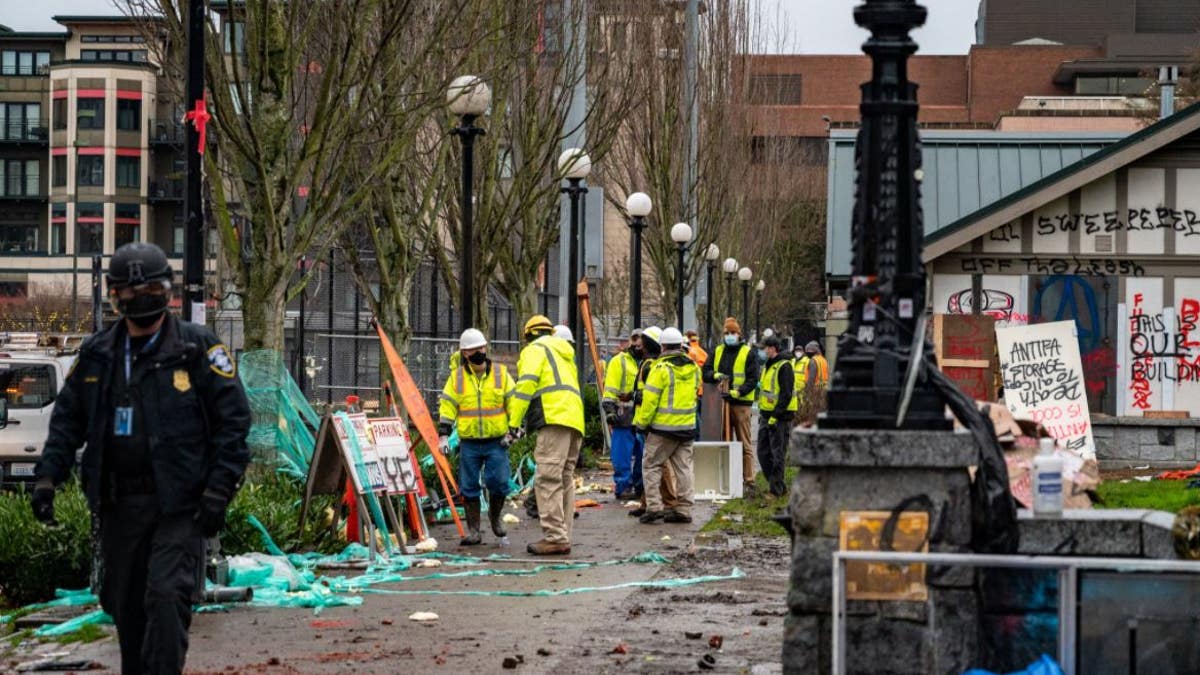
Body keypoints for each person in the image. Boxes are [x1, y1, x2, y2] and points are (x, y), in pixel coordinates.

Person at [31, 242, 251, 675]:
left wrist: (218, 492)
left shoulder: (196, 349)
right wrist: (46, 478)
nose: (138, 298)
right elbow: (67, 422)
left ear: (167, 291)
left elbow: (233, 424)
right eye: (128, 291)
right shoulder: (98, 355)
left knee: (167, 599)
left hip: (179, 506)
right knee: (126, 609)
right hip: (118, 507)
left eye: (149, 287)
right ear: (115, 294)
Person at [509, 315, 585, 555]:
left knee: (547, 478)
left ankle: (555, 537)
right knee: (564, 477)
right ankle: (563, 535)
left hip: (553, 417)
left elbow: (525, 387)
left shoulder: (534, 350)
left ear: (529, 335)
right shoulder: (564, 353)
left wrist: (513, 422)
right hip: (574, 420)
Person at [437, 328, 516, 546]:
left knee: (499, 482)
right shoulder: (457, 379)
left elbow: (514, 403)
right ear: (464, 353)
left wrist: (514, 429)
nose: (478, 352)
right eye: (472, 350)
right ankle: (474, 531)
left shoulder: (501, 374)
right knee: (468, 486)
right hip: (469, 442)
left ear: (485, 347)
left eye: (480, 348)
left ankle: (494, 516)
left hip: (496, 441)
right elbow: (447, 406)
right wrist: (443, 435)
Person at [633, 327, 699, 524]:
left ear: (662, 346)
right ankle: (685, 508)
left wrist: (641, 424)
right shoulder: (693, 367)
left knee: (651, 465)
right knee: (684, 468)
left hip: (663, 429)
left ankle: (654, 507)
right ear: (680, 345)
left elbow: (650, 401)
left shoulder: (660, 369)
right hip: (687, 427)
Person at [702, 317, 760, 494]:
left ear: (739, 334)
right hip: (722, 403)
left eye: (732, 333)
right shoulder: (718, 351)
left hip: (741, 404)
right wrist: (715, 375)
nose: (729, 336)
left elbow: (753, 379)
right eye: (727, 333)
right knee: (723, 441)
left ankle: (748, 480)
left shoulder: (748, 352)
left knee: (744, 443)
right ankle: (725, 479)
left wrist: (738, 392)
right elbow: (705, 372)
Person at [602, 329, 641, 500]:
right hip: (623, 415)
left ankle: (639, 485)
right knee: (622, 455)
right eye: (635, 340)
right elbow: (610, 388)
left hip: (640, 416)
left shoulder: (647, 362)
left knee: (642, 454)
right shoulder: (619, 362)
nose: (638, 344)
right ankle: (624, 485)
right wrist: (609, 410)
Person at [756, 336, 795, 497]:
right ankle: (778, 485)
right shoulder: (768, 365)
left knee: (777, 453)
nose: (763, 351)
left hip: (779, 417)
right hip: (766, 416)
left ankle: (776, 490)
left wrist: (775, 415)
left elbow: (786, 394)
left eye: (765, 348)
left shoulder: (784, 366)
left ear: (772, 348)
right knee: (762, 452)